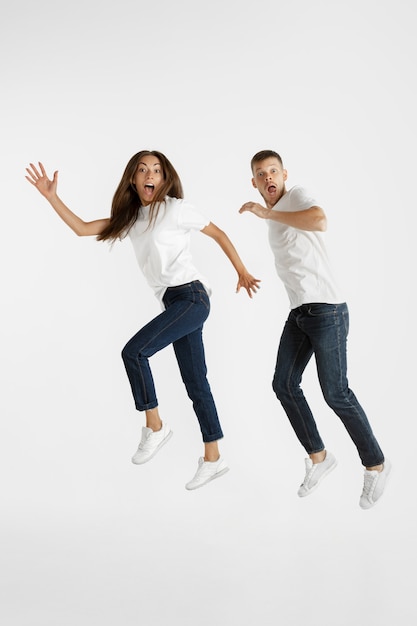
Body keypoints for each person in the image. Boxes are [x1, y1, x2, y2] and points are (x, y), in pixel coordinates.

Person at [25, 151, 260, 490]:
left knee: (134, 352)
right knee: (196, 383)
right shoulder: (131, 218)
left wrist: (242, 271)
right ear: (134, 180)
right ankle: (213, 457)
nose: (150, 175)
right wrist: (53, 198)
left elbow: (218, 233)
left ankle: (155, 426)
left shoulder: (176, 209)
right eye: (142, 170)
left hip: (192, 297)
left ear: (164, 179)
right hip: (174, 303)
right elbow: (81, 229)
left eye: (157, 171)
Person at [239, 150, 390, 509]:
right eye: (261, 174)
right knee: (283, 384)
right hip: (300, 312)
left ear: (284, 173)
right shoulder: (273, 213)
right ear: (254, 182)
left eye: (273, 171)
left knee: (336, 393)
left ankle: (376, 465)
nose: (268, 178)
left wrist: (268, 212)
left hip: (327, 309)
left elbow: (320, 219)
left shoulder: (296, 196)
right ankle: (320, 457)